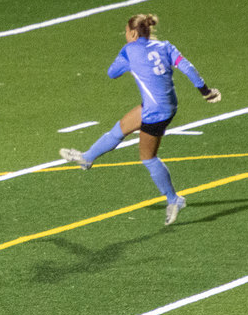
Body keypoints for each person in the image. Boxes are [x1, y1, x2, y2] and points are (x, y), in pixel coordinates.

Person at [60, 14, 220, 226]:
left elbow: (111, 73)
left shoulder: (129, 51)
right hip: (167, 104)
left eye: (125, 32)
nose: (125, 35)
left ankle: (174, 200)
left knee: (148, 158)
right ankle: (87, 158)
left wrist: (126, 57)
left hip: (156, 113)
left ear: (133, 33)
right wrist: (205, 92)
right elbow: (187, 67)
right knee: (120, 129)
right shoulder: (165, 46)